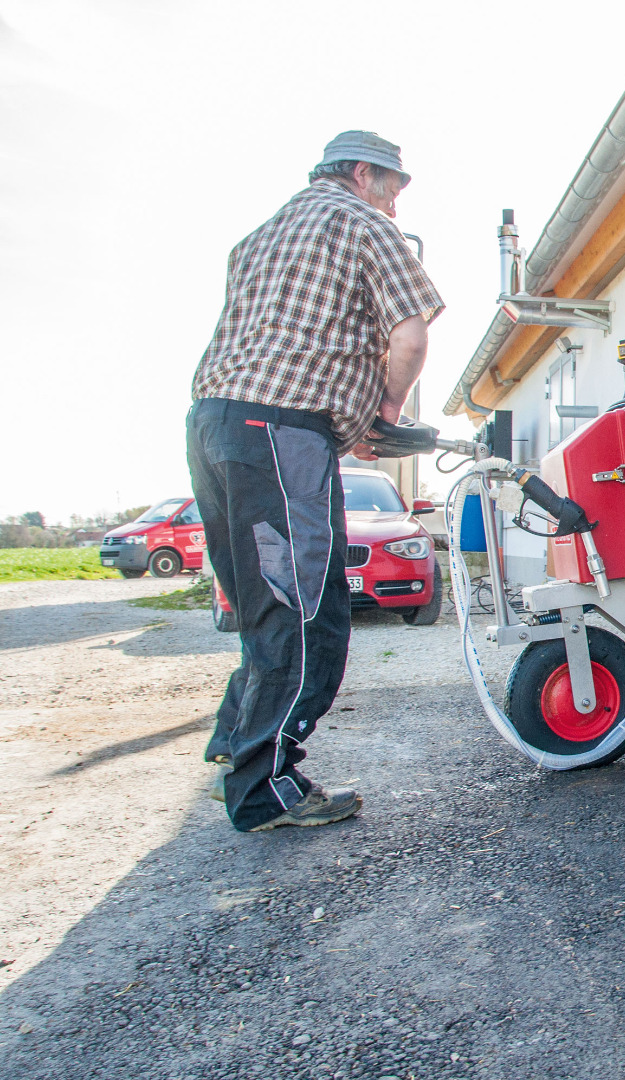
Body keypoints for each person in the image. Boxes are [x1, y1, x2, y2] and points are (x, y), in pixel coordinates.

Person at [187, 131, 444, 832]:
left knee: (263, 601)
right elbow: (410, 337)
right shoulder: (362, 222)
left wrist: (343, 417)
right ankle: (263, 789)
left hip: (214, 426)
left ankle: (234, 746)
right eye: (394, 186)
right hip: (280, 433)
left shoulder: (262, 236)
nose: (395, 203)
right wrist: (386, 413)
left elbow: (295, 345)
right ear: (364, 174)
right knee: (309, 614)